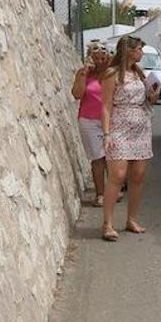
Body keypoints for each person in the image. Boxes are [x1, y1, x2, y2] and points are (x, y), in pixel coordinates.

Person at [99, 36, 160, 242]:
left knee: (138, 175)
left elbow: (148, 101)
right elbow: (106, 106)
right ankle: (107, 223)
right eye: (139, 49)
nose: (142, 53)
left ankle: (131, 219)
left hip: (141, 127)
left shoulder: (138, 73)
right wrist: (106, 134)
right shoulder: (112, 74)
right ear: (129, 51)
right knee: (117, 174)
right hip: (119, 127)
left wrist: (153, 94)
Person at [72, 40, 110, 207]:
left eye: (103, 57)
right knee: (97, 158)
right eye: (97, 58)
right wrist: (85, 73)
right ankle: (100, 193)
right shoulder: (84, 73)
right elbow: (77, 94)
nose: (100, 61)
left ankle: (113, 188)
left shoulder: (111, 74)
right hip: (88, 120)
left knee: (112, 157)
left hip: (110, 120)